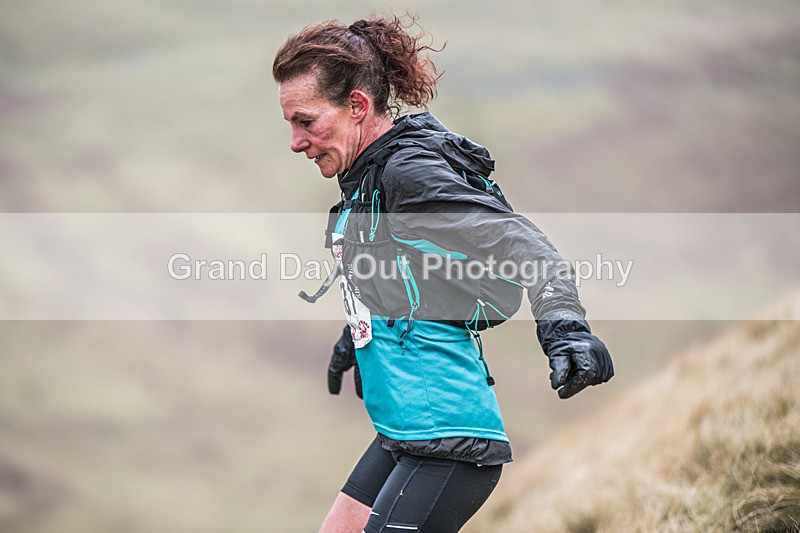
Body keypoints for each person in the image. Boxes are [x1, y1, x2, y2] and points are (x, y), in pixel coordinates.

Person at [273, 15, 614, 533]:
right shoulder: (364, 174)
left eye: (306, 121)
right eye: (290, 125)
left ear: (358, 106)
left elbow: (523, 243)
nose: (296, 142)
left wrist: (565, 327)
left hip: (450, 444)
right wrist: (359, 336)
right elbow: (405, 270)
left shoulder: (406, 172)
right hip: (404, 430)